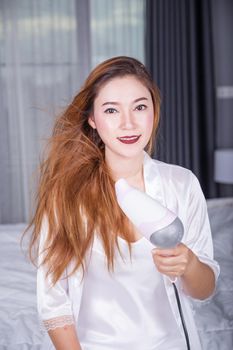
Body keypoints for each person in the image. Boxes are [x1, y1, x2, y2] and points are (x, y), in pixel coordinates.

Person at [28, 56, 219, 350]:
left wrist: (189, 264)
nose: (128, 123)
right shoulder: (66, 193)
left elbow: (204, 290)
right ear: (92, 118)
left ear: (154, 111)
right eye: (111, 110)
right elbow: (53, 303)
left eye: (140, 107)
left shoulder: (182, 184)